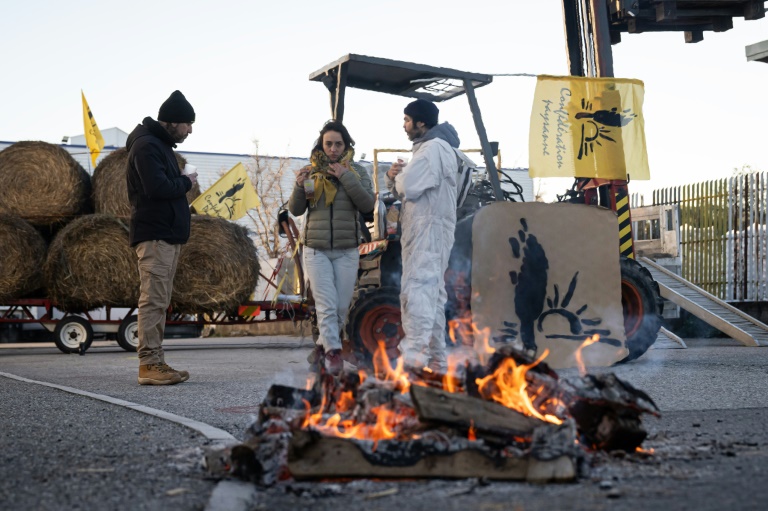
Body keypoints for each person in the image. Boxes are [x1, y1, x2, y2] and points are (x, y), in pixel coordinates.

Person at [288, 120, 375, 374]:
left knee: (340, 307)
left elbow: (367, 205)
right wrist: (298, 186)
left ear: (346, 145)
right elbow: (296, 210)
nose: (333, 149)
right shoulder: (311, 172)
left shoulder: (357, 172)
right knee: (326, 304)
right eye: (329, 144)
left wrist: (346, 176)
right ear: (321, 145)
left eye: (338, 144)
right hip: (316, 249)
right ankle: (333, 356)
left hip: (348, 249)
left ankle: (321, 347)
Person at [126, 90, 198, 385]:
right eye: (188, 124)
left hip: (165, 235)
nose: (190, 130)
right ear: (173, 121)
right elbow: (156, 188)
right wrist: (185, 181)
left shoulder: (160, 145)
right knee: (153, 299)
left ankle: (157, 361)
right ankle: (149, 365)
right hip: (155, 235)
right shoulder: (147, 146)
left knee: (159, 299)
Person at [385, 99, 459, 371]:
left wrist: (396, 176)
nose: (404, 125)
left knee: (418, 291)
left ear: (421, 122)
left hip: (428, 230)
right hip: (429, 229)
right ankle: (437, 361)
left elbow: (409, 185)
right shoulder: (437, 149)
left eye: (407, 119)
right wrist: (397, 178)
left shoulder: (432, 149)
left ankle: (413, 364)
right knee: (432, 295)